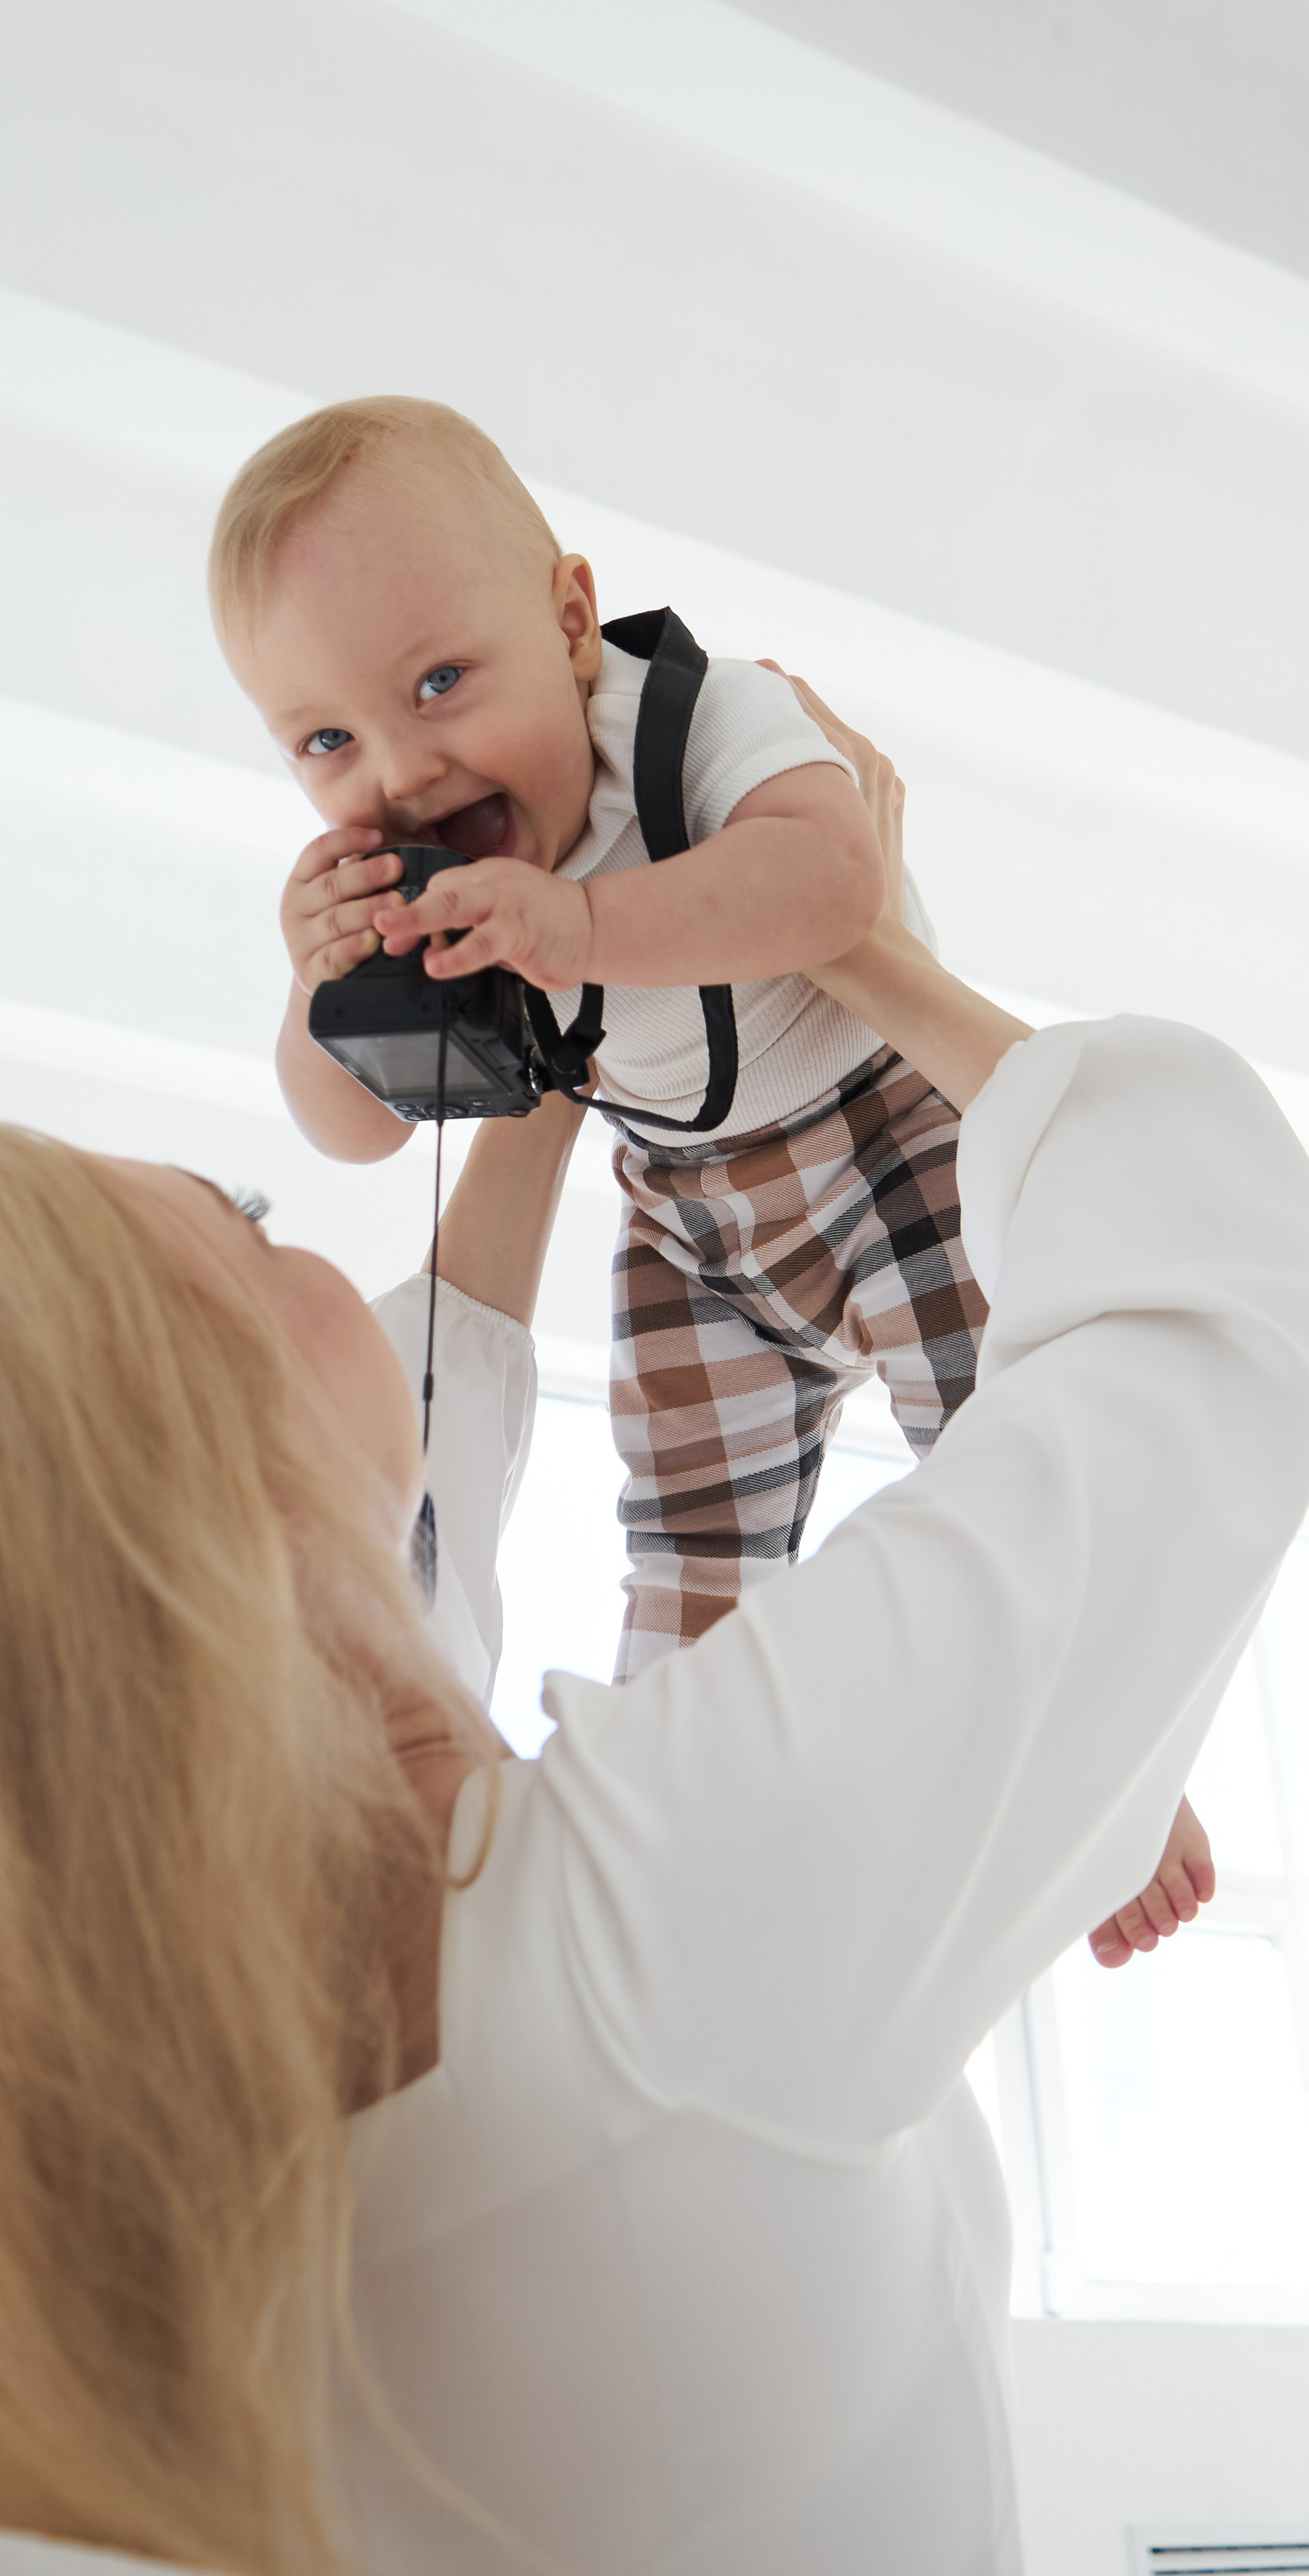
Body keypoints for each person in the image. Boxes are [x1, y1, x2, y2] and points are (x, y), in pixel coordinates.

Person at [0, 709, 1308, 2576]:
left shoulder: (99, 2220)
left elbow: (432, 1443)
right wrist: (848, 931)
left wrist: (565, 1016)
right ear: (205, 1483)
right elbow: (1205, 1296)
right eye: (247, 1223)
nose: (316, 1264)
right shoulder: (655, 1939)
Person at [209, 391, 1209, 1944]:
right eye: (326, 740)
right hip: (684, 1217)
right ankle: (667, 1825)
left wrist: (584, 931)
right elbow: (357, 1130)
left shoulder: (693, 722)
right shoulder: (408, 876)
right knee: (682, 1530)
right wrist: (315, 992)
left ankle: (1113, 1782)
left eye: (439, 682)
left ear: (566, 618)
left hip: (878, 1141)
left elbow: (831, 875)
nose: (398, 773)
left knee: (993, 1450)